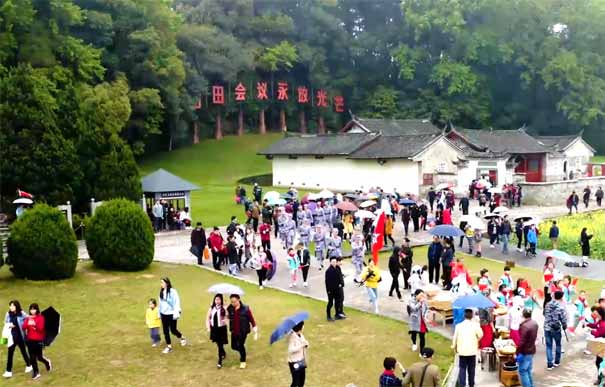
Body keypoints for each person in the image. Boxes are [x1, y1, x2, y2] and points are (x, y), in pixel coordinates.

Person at [452, 309, 483, 387]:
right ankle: (471, 383)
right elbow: (480, 335)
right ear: (472, 316)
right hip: (472, 350)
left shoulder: (458, 326)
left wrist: (454, 347)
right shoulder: (475, 325)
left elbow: (455, 338)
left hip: (462, 351)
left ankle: (462, 384)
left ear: (464, 315)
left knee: (462, 368)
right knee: (471, 368)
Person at [227, 294, 258, 369]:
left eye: (234, 302)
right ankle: (242, 351)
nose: (233, 303)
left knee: (240, 345)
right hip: (234, 331)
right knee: (233, 346)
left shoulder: (246, 309)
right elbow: (228, 316)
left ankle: (243, 361)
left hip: (243, 331)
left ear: (239, 300)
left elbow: (251, 319)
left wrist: (254, 327)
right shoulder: (230, 308)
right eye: (232, 302)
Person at [3, 300, 32, 378]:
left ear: (17, 306)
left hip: (20, 337)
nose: (11, 307)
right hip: (11, 337)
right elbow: (5, 323)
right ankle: (8, 371)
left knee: (23, 351)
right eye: (10, 306)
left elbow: (29, 319)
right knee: (10, 353)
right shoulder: (8, 314)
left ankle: (29, 365)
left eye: (13, 306)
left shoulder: (21, 313)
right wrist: (9, 325)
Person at [22, 303, 51, 380]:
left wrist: (34, 324)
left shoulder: (40, 318)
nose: (32, 311)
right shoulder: (29, 318)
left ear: (37, 309)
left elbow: (41, 328)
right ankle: (36, 372)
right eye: (31, 309)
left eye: (34, 309)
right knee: (32, 357)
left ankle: (47, 362)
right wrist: (28, 322)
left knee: (39, 357)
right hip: (29, 340)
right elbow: (23, 327)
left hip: (38, 340)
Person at [158, 277, 186, 354]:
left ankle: (182, 337)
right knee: (165, 331)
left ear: (167, 283)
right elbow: (160, 303)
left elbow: (176, 302)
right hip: (164, 314)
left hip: (171, 314)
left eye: (162, 283)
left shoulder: (172, 292)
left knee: (173, 330)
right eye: (161, 283)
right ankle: (169, 346)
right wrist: (159, 313)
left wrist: (176, 313)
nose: (161, 284)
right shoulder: (161, 292)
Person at [544, 290, 567, 370]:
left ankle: (549, 364)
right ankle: (557, 362)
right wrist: (564, 325)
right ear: (561, 297)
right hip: (556, 328)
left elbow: (545, 314)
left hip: (547, 327)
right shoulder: (560, 306)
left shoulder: (547, 304)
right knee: (558, 344)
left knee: (549, 346)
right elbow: (563, 318)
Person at [206, 294, 229, 368]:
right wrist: (208, 327)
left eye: (219, 299)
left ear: (221, 300)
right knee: (217, 343)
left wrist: (226, 311)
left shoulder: (223, 308)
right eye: (216, 299)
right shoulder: (212, 308)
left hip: (221, 329)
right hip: (214, 329)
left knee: (220, 344)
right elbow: (208, 318)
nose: (217, 301)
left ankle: (220, 361)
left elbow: (227, 317)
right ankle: (223, 352)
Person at [517, 309, 538, 387]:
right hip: (531, 350)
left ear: (523, 315)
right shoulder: (534, 323)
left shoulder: (525, 326)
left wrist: (518, 352)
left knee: (523, 371)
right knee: (528, 369)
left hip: (525, 351)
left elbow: (522, 342)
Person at [287, 321, 309, 387]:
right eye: (303, 325)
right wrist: (301, 345)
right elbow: (291, 350)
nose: (304, 326)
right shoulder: (292, 337)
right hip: (294, 362)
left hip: (301, 361)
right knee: (296, 382)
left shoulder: (300, 335)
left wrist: (306, 344)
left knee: (302, 380)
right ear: (300, 327)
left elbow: (304, 342)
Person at [325, 257, 344, 321]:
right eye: (333, 262)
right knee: (330, 303)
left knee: (337, 302)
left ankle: (337, 314)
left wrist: (341, 284)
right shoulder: (328, 271)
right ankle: (328, 316)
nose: (334, 263)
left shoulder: (338, 268)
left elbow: (340, 277)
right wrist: (328, 291)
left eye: (335, 262)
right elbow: (327, 282)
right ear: (330, 262)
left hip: (337, 289)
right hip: (331, 290)